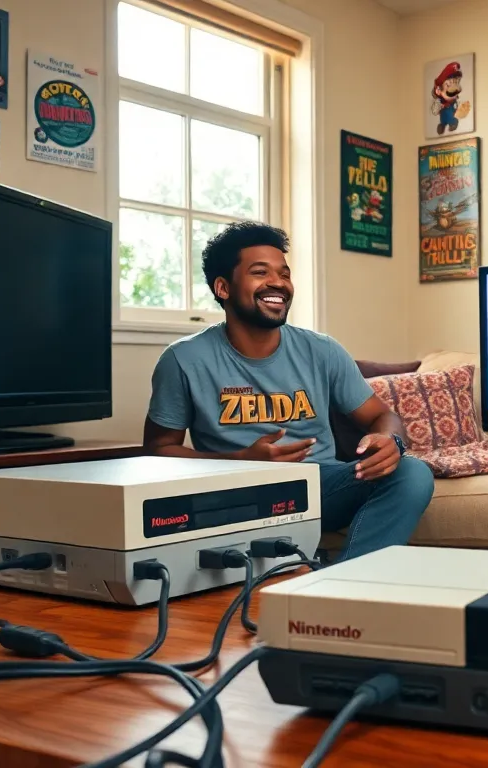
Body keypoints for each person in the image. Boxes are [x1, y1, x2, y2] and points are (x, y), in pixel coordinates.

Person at [142, 221, 433, 562]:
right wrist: (240, 462)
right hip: (233, 492)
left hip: (317, 487)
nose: (278, 283)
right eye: (260, 272)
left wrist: (390, 442)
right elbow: (159, 450)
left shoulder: (322, 350)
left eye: (284, 273)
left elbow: (382, 416)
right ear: (223, 287)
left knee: (412, 472)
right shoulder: (183, 359)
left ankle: (345, 587)